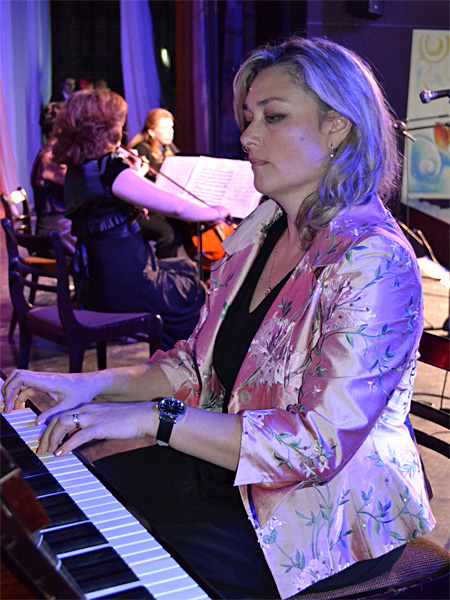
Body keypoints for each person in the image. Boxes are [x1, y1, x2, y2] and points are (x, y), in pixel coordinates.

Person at [2, 37, 435, 600]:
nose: (248, 136)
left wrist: (151, 419)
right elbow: (192, 366)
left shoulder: (373, 258)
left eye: (273, 117)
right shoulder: (260, 230)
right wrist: (88, 386)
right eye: (248, 118)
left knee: (120, 563)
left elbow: (318, 446)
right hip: (230, 472)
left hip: (325, 513)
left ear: (338, 127)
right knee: (71, 505)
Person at [49, 89, 229, 349]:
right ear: (103, 128)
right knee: (193, 292)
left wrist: (133, 175)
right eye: (118, 123)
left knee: (185, 268)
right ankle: (185, 361)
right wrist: (217, 211)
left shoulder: (79, 168)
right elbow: (177, 207)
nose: (122, 131)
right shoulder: (109, 169)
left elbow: (103, 205)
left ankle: (169, 357)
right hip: (125, 280)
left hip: (96, 279)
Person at [130, 108, 180, 258]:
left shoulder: (168, 149)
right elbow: (135, 183)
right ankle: (163, 267)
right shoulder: (141, 149)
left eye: (171, 127)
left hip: (163, 206)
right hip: (145, 209)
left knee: (182, 228)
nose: (170, 131)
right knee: (168, 234)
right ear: (151, 132)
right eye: (164, 128)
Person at [30, 102, 76, 255]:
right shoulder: (49, 157)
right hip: (56, 233)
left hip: (62, 227)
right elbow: (75, 186)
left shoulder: (52, 153)